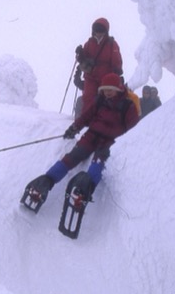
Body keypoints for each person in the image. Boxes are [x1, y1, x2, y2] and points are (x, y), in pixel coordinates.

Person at [26, 73, 139, 205]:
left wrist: (125, 144)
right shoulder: (100, 101)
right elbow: (86, 117)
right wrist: (74, 128)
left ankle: (86, 188)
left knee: (98, 161)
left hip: (110, 141)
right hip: (92, 135)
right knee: (73, 156)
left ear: (118, 89)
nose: (107, 92)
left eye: (110, 90)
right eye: (104, 89)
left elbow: (134, 129)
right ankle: (48, 179)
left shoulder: (128, 106)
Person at [74, 17, 123, 115]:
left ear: (106, 31)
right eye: (97, 30)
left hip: (106, 78)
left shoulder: (112, 44)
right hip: (91, 77)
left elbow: (117, 61)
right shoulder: (88, 44)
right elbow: (83, 60)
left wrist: (117, 74)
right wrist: (80, 54)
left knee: (105, 99)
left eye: (101, 30)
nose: (98, 33)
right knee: (88, 98)